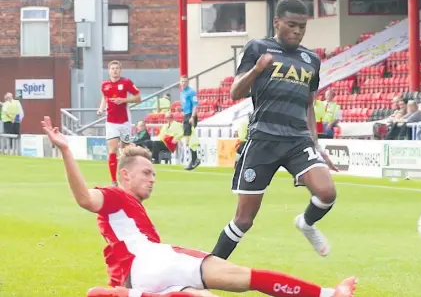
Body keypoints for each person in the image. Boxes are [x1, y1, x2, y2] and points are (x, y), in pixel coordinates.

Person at [39, 116, 357, 297]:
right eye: (146, 173)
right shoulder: (115, 195)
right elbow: (85, 199)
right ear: (125, 175)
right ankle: (330, 295)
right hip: (152, 260)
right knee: (244, 277)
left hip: (137, 275)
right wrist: (66, 151)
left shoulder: (126, 209)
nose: (152, 179)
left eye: (154, 174)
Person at [211, 0, 339, 260]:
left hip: (297, 140)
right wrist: (257, 69)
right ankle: (208, 269)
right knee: (244, 220)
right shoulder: (258, 48)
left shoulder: (311, 59)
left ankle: (306, 223)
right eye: (292, 25)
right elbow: (236, 91)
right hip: (263, 140)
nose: (297, 31)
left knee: (327, 193)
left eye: (302, 27)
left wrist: (315, 143)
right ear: (276, 22)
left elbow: (308, 103)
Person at [97, 60, 141, 186]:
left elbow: (138, 98)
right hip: (111, 121)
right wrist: (101, 108)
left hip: (124, 121)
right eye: (112, 68)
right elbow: (105, 98)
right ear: (109, 71)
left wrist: (124, 100)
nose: (115, 70)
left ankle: (129, 175)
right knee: (113, 149)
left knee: (126, 149)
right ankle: (113, 180)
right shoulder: (105, 85)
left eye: (117, 68)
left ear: (120, 70)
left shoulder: (126, 83)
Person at [179, 75, 200, 171]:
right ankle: (194, 159)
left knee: (191, 139)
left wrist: (192, 117)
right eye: (182, 81)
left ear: (188, 82)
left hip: (191, 116)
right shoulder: (182, 92)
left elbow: (195, 105)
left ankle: (194, 160)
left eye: (185, 81)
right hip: (186, 115)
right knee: (188, 139)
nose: (183, 83)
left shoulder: (191, 92)